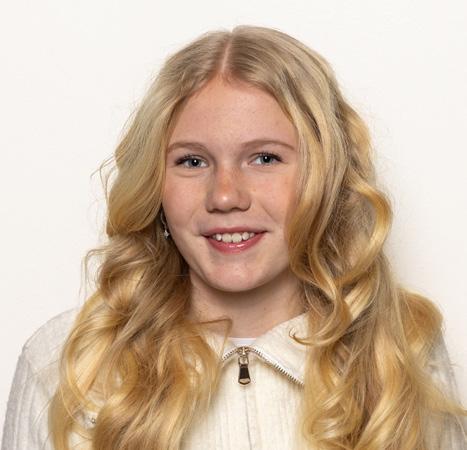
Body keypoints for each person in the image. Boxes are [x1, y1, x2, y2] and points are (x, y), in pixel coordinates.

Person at [2, 25, 467, 450]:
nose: (225, 196)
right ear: (154, 184)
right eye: (192, 161)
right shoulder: (67, 364)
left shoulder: (401, 352)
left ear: (324, 176)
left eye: (264, 158)